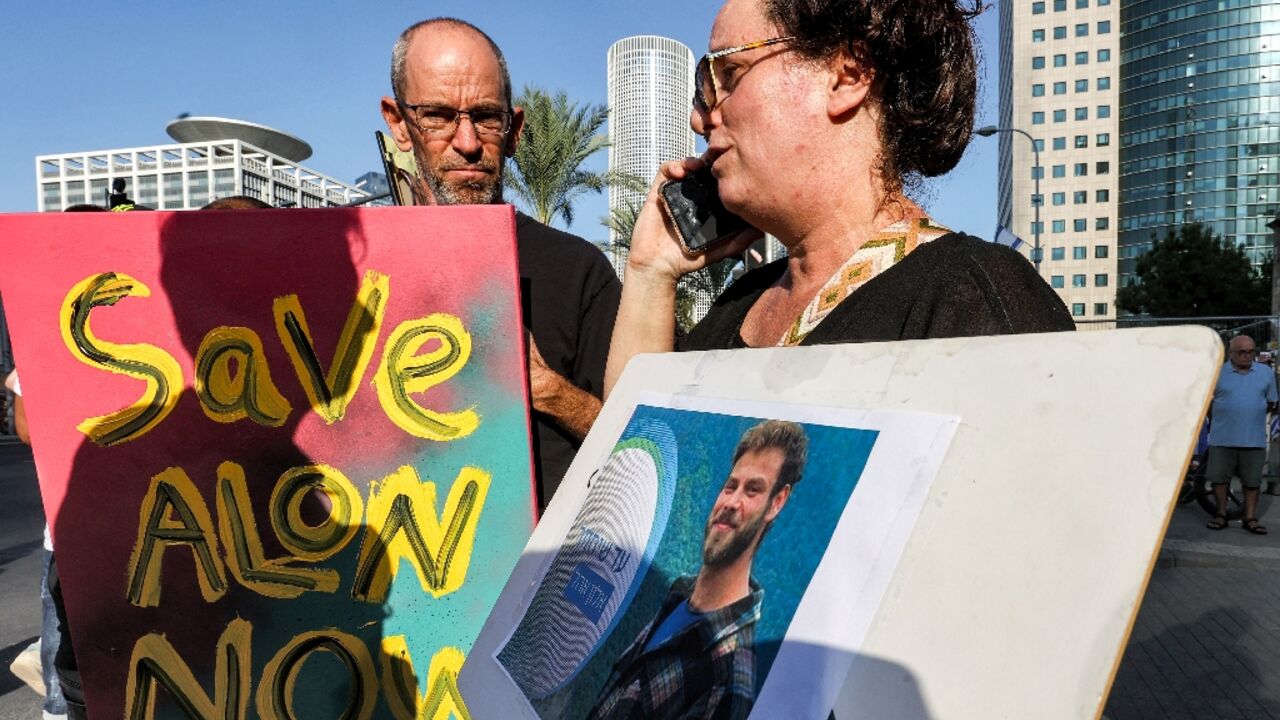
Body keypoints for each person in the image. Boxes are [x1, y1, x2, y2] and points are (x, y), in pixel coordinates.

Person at [605, 0, 1073, 396]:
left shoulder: (974, 296)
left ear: (847, 76)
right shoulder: (737, 305)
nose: (699, 115)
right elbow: (633, 472)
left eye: (726, 73)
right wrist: (651, 274)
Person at [380, 18, 620, 508]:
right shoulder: (354, 272)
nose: (468, 142)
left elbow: (646, 446)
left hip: (539, 576)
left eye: (487, 117)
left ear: (515, 131)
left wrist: (548, 390)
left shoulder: (579, 272)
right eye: (439, 116)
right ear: (398, 123)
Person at [587, 420, 807, 719]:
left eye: (753, 490)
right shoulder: (680, 593)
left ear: (776, 503)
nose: (731, 502)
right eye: (731, 486)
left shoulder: (729, 676)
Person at [5, 369, 68, 720]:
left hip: (74, 524)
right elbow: (28, 430)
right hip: (73, 531)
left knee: (63, 625)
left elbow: (27, 430)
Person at [1205, 335, 1277, 533]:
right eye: (1242, 352)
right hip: (1222, 437)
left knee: (1252, 481)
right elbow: (1208, 403)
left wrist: (1249, 413)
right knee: (1219, 479)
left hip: (1253, 439)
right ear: (1231, 353)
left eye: (1251, 352)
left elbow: (1270, 402)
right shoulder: (1216, 373)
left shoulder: (1266, 373)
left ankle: (1250, 518)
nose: (1247, 356)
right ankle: (1221, 515)